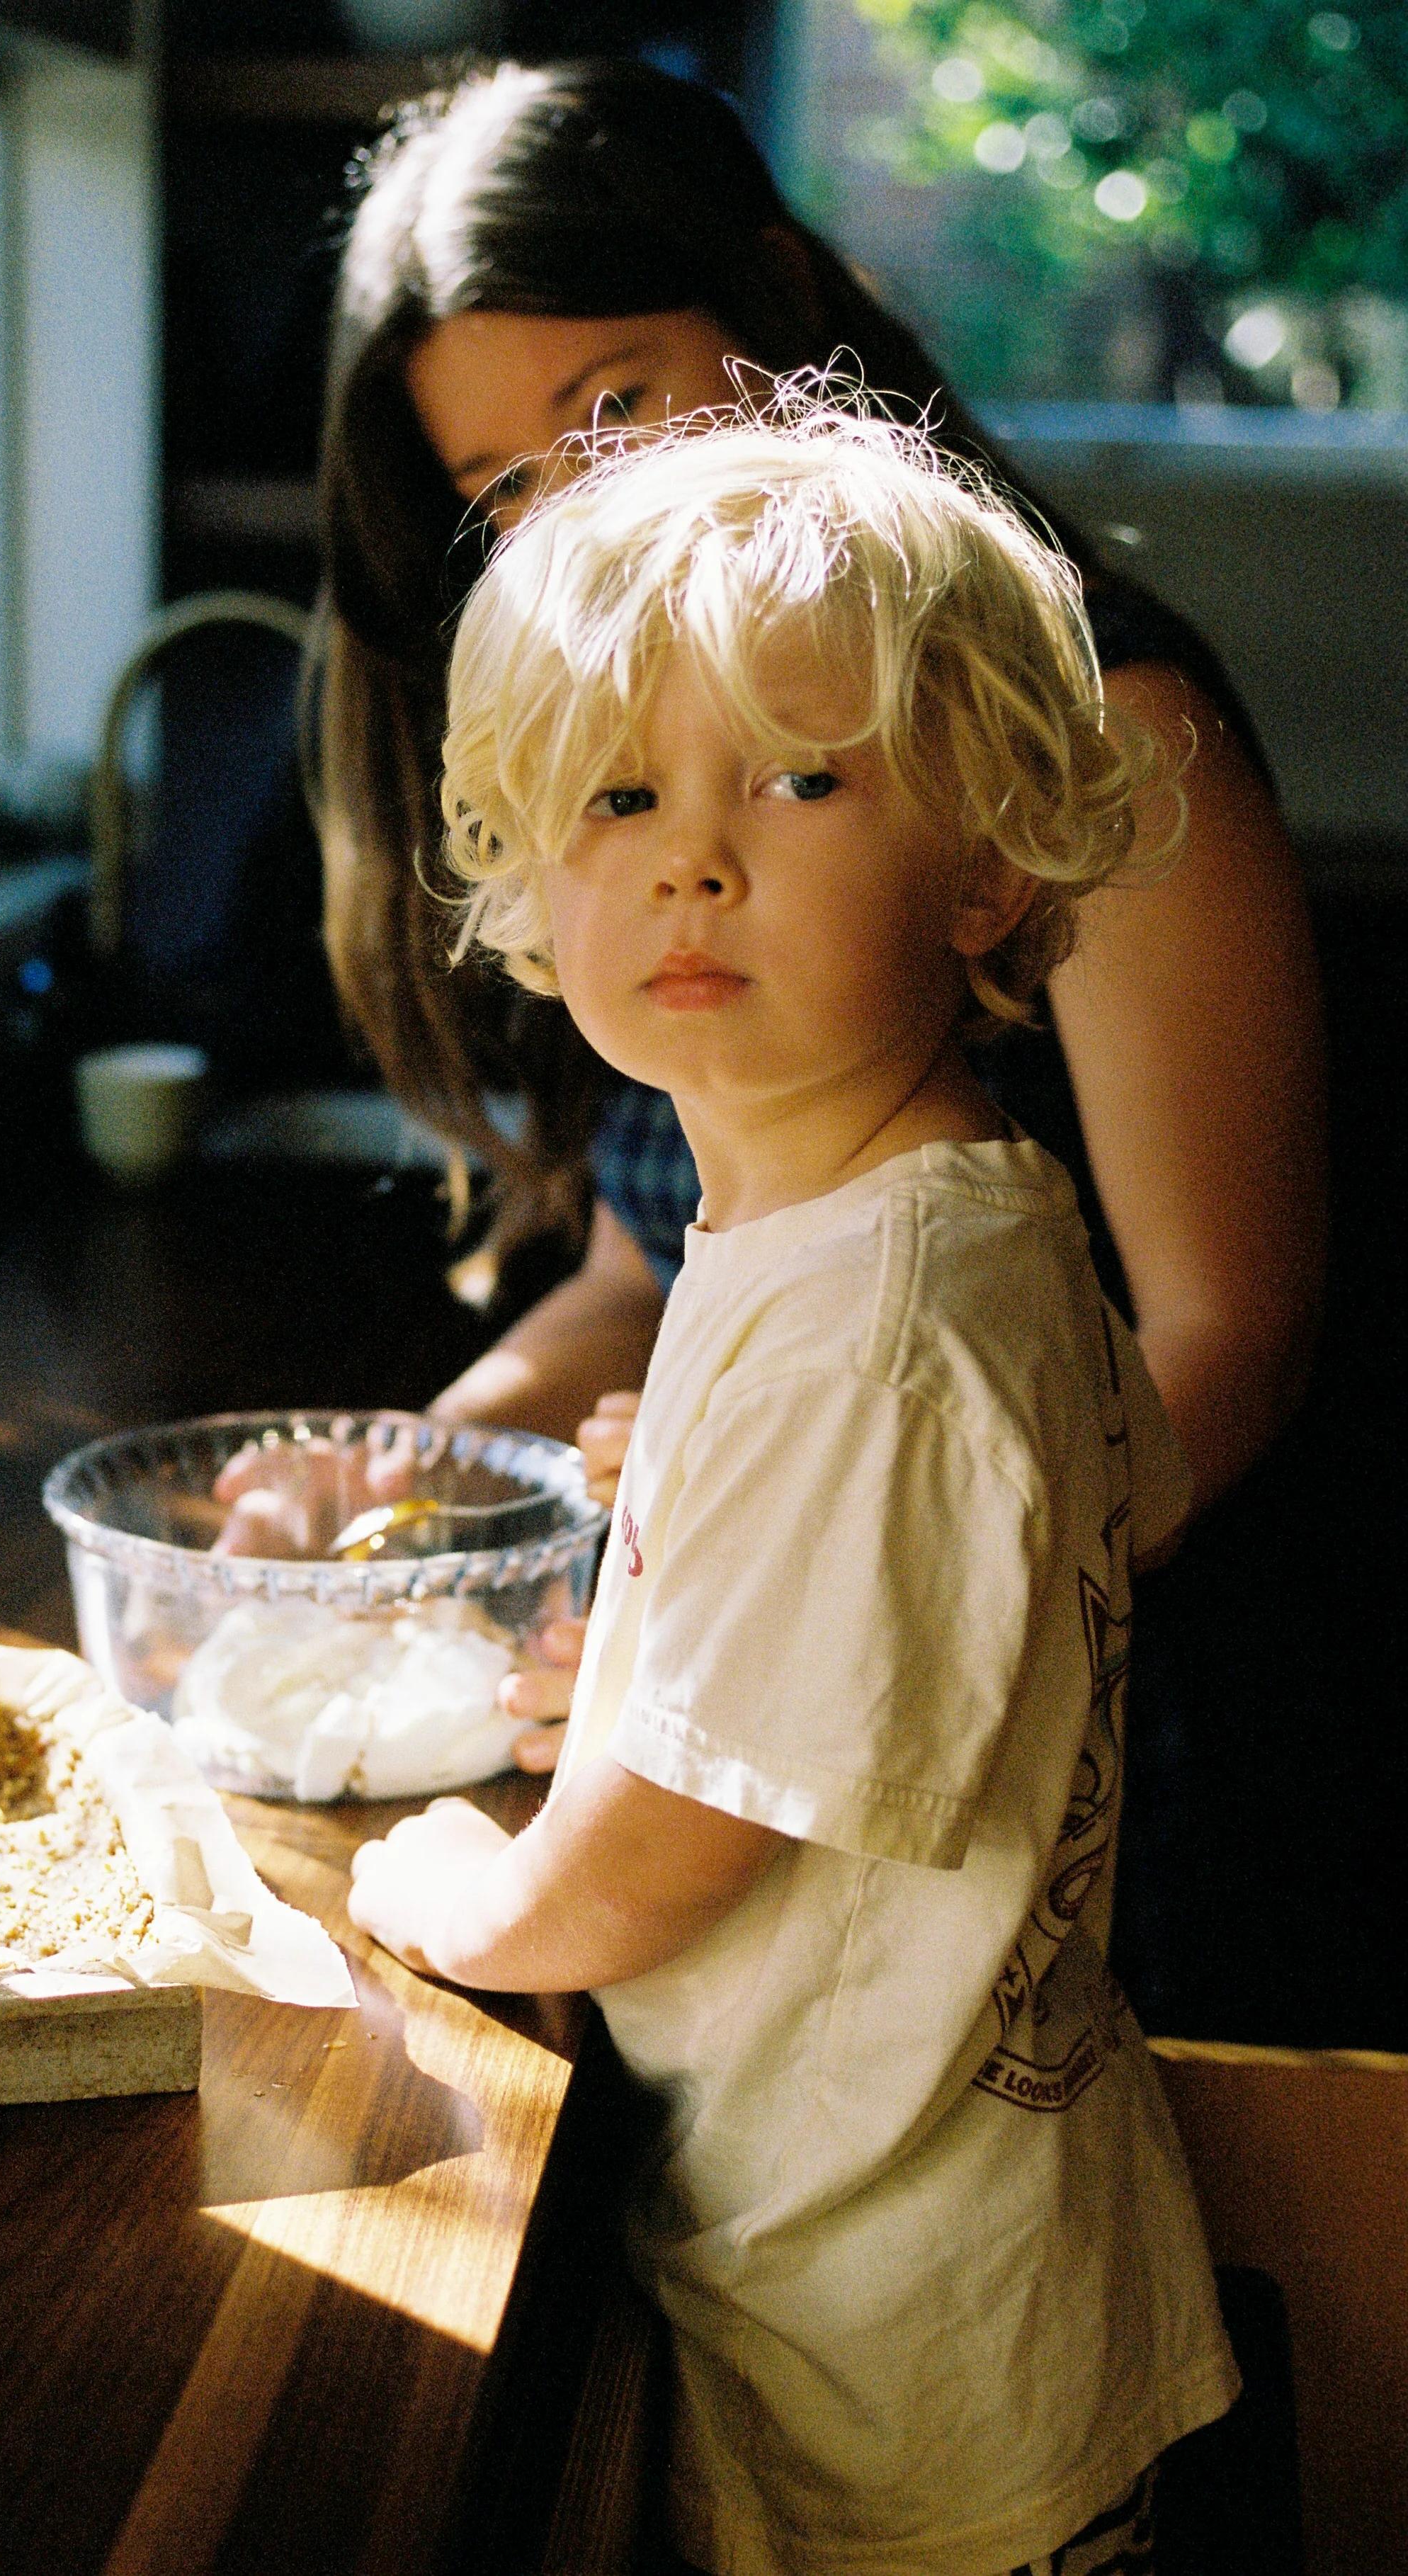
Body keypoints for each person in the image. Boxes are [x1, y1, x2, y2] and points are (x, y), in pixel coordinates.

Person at [346, 405, 1238, 2575]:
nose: (692, 855)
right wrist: (696, 1587)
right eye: (621, 795)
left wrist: (457, 1887)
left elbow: (645, 1870)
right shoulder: (934, 1218)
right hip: (956, 2252)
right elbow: (1013, 1556)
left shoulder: (873, 1310)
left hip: (883, 2337)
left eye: (800, 777)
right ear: (536, 886)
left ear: (993, 859)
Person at [253, 55, 1327, 1786]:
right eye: (506, 484)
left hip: (1071, 1733)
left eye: (614, 409)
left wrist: (816, 1617)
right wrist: (420, 1469)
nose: (580, 506)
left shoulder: (1093, 728)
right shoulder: (666, 792)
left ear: (780, 307)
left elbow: (1227, 1339)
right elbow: (641, 1263)